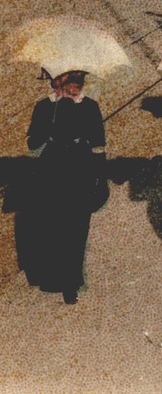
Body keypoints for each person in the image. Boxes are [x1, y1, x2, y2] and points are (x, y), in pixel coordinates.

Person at [18, 70, 108, 303]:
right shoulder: (44, 107)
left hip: (80, 169)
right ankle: (51, 277)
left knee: (77, 227)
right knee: (53, 225)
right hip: (52, 170)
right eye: (72, 81)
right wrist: (49, 123)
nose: (78, 85)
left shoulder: (89, 106)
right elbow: (32, 144)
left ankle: (71, 282)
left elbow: (98, 144)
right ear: (58, 82)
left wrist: (101, 178)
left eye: (80, 81)